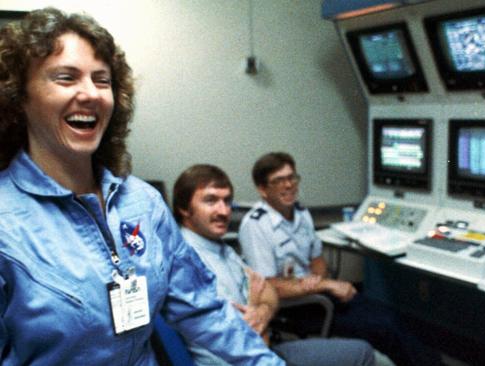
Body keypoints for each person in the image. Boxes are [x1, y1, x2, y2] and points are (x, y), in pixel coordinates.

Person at [0, 8, 282, 365]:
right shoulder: (6, 222)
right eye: (66, 78)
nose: (90, 93)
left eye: (102, 81)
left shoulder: (143, 203)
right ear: (19, 98)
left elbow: (204, 312)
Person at [239, 152, 442, 366]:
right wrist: (322, 285)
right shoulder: (255, 226)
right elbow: (267, 287)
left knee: (392, 316)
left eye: (292, 178)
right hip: (296, 307)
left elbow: (317, 260)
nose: (288, 185)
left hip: (318, 293)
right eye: (279, 181)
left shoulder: (300, 213)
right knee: (385, 328)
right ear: (263, 189)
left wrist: (318, 281)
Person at [173, 164, 376, 366]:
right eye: (211, 201)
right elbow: (249, 339)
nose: (224, 211)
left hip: (264, 350)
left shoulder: (220, 247)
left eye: (227, 201)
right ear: (184, 208)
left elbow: (267, 289)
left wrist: (262, 311)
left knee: (362, 351)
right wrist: (257, 305)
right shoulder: (190, 263)